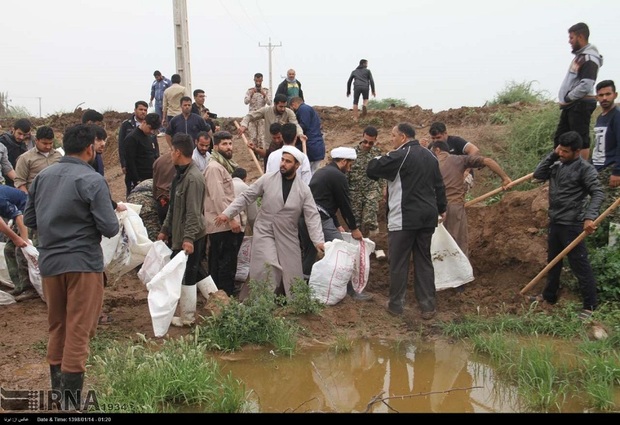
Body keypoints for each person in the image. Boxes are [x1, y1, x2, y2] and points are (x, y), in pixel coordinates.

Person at [23, 123, 119, 411]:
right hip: (82, 264)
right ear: (90, 148)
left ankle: (58, 394)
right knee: (79, 329)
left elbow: (29, 220)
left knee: (58, 326)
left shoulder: (43, 176)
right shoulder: (91, 180)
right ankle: (71, 402)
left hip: (50, 263)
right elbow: (110, 227)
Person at [215, 145, 324, 300]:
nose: (283, 164)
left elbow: (312, 216)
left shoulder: (304, 190)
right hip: (265, 229)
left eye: (288, 161)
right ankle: (260, 302)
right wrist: (228, 213)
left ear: (297, 165)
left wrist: (318, 240)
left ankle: (293, 304)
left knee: (292, 272)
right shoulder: (267, 179)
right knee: (268, 265)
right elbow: (247, 196)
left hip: (288, 233)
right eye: (282, 160)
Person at [366, 122, 447, 320]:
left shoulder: (400, 155)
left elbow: (372, 168)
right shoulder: (430, 155)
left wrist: (380, 155)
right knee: (423, 260)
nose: (391, 139)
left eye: (393, 136)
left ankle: (396, 305)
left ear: (403, 137)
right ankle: (428, 306)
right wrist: (442, 208)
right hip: (427, 218)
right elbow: (439, 185)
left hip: (404, 218)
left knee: (399, 262)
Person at [531, 131, 603, 320]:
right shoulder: (556, 165)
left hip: (572, 224)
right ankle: (549, 296)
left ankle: (590, 305)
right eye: (560, 150)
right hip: (555, 222)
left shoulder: (585, 170)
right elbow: (538, 174)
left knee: (580, 265)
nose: (561, 154)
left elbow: (597, 193)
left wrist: (590, 217)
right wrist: (553, 155)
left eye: (565, 151)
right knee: (553, 262)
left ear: (577, 151)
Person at [300, 146, 370, 301]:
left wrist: (337, 223)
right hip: (319, 219)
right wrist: (354, 228)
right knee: (341, 250)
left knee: (309, 254)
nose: (350, 169)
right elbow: (344, 204)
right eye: (350, 165)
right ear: (344, 161)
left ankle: (302, 290)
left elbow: (325, 200)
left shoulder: (323, 172)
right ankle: (351, 291)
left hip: (304, 217)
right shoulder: (338, 176)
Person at [428, 139, 511, 258]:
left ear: (437, 150)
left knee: (436, 247)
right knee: (459, 244)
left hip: (432, 209)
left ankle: (438, 275)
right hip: (454, 207)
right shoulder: (459, 159)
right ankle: (461, 274)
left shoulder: (429, 163)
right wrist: (505, 178)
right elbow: (488, 161)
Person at [157, 133, 207, 327]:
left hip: (192, 234)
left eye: (171, 150)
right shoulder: (180, 174)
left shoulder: (193, 178)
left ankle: (187, 318)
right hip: (182, 232)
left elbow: (194, 213)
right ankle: (220, 304)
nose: (170, 153)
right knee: (199, 272)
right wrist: (164, 229)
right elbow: (174, 207)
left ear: (178, 152)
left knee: (188, 275)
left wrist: (188, 239)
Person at [553, 22, 603, 160]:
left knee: (580, 140)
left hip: (580, 103)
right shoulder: (581, 57)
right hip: (572, 105)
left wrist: (569, 97)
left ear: (580, 37)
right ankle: (557, 170)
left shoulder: (589, 58)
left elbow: (587, 84)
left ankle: (581, 172)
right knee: (560, 139)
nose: (569, 41)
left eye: (571, 37)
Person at [203, 131, 241, 297]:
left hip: (223, 222)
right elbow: (218, 196)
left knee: (223, 263)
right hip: (221, 224)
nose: (228, 147)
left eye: (230, 143)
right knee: (224, 265)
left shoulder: (223, 165)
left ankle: (220, 298)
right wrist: (231, 219)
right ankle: (224, 299)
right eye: (224, 144)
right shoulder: (214, 168)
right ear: (216, 146)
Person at [592, 80, 620, 244]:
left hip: (611, 169)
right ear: (597, 97)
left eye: (608, 94)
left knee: (613, 211)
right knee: (599, 207)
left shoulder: (617, 117)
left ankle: (613, 248)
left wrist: (617, 172)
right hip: (598, 168)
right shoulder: (600, 118)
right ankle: (600, 242)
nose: (604, 98)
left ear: (615, 95)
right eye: (601, 95)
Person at [239, 93, 307, 159]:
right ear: (275, 104)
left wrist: (300, 134)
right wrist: (244, 125)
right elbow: (250, 116)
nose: (283, 109)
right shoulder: (266, 111)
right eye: (281, 106)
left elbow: (295, 125)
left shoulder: (289, 113)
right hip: (269, 147)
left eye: (284, 106)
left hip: (283, 148)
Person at [348, 126, 384, 237]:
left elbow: (382, 173)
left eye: (371, 143)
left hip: (371, 191)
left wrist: (382, 189)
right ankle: (356, 248)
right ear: (362, 137)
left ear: (375, 140)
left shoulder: (377, 153)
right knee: (355, 222)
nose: (367, 145)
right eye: (365, 142)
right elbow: (346, 173)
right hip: (354, 192)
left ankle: (375, 246)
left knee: (370, 221)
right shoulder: (351, 153)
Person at [1, 185, 33, 301]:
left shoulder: (0, 198)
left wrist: (24, 240)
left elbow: (19, 216)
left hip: (29, 214)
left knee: (21, 250)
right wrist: (14, 237)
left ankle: (30, 288)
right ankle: (19, 286)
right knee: (9, 250)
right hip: (19, 217)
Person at [428, 121, 481, 192]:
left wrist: (466, 171)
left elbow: (474, 150)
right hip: (443, 176)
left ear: (445, 133)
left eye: (438, 137)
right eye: (433, 138)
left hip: (461, 175)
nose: (435, 140)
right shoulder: (432, 146)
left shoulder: (455, 141)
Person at [14, 126, 62, 194]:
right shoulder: (25, 158)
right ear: (36, 140)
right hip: (35, 197)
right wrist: (28, 199)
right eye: (44, 143)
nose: (48, 146)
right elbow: (19, 182)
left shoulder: (58, 155)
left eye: (50, 143)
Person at [124, 113, 161, 191]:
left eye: (154, 130)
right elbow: (130, 163)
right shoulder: (132, 138)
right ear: (144, 122)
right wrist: (137, 181)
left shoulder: (150, 137)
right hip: (138, 180)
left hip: (150, 178)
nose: (151, 132)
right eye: (150, 128)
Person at [118, 101, 149, 196]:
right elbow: (121, 145)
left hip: (143, 165)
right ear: (135, 110)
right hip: (131, 163)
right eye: (140, 109)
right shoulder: (126, 125)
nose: (143, 112)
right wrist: (123, 164)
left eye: (145, 110)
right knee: (132, 191)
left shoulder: (149, 125)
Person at [289, 96, 326, 173]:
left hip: (310, 145)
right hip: (316, 145)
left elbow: (303, 126)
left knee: (307, 173)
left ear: (293, 104)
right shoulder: (309, 109)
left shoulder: (303, 109)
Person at [0, 118, 32, 186]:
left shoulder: (25, 145)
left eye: (24, 135)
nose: (21, 137)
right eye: (19, 133)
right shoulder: (3, 143)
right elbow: (6, 167)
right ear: (13, 130)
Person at [244, 72, 272, 150]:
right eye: (257, 81)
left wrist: (264, 95)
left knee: (261, 137)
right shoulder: (249, 91)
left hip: (262, 116)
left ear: (262, 80)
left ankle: (261, 153)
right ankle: (254, 153)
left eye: (260, 81)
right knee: (253, 137)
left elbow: (270, 103)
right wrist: (251, 94)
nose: (258, 82)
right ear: (254, 80)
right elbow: (246, 102)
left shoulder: (266, 91)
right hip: (252, 116)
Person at [152, 151, 175, 226]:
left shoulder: (158, 161)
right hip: (173, 202)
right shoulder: (182, 161)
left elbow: (154, 185)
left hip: (161, 201)